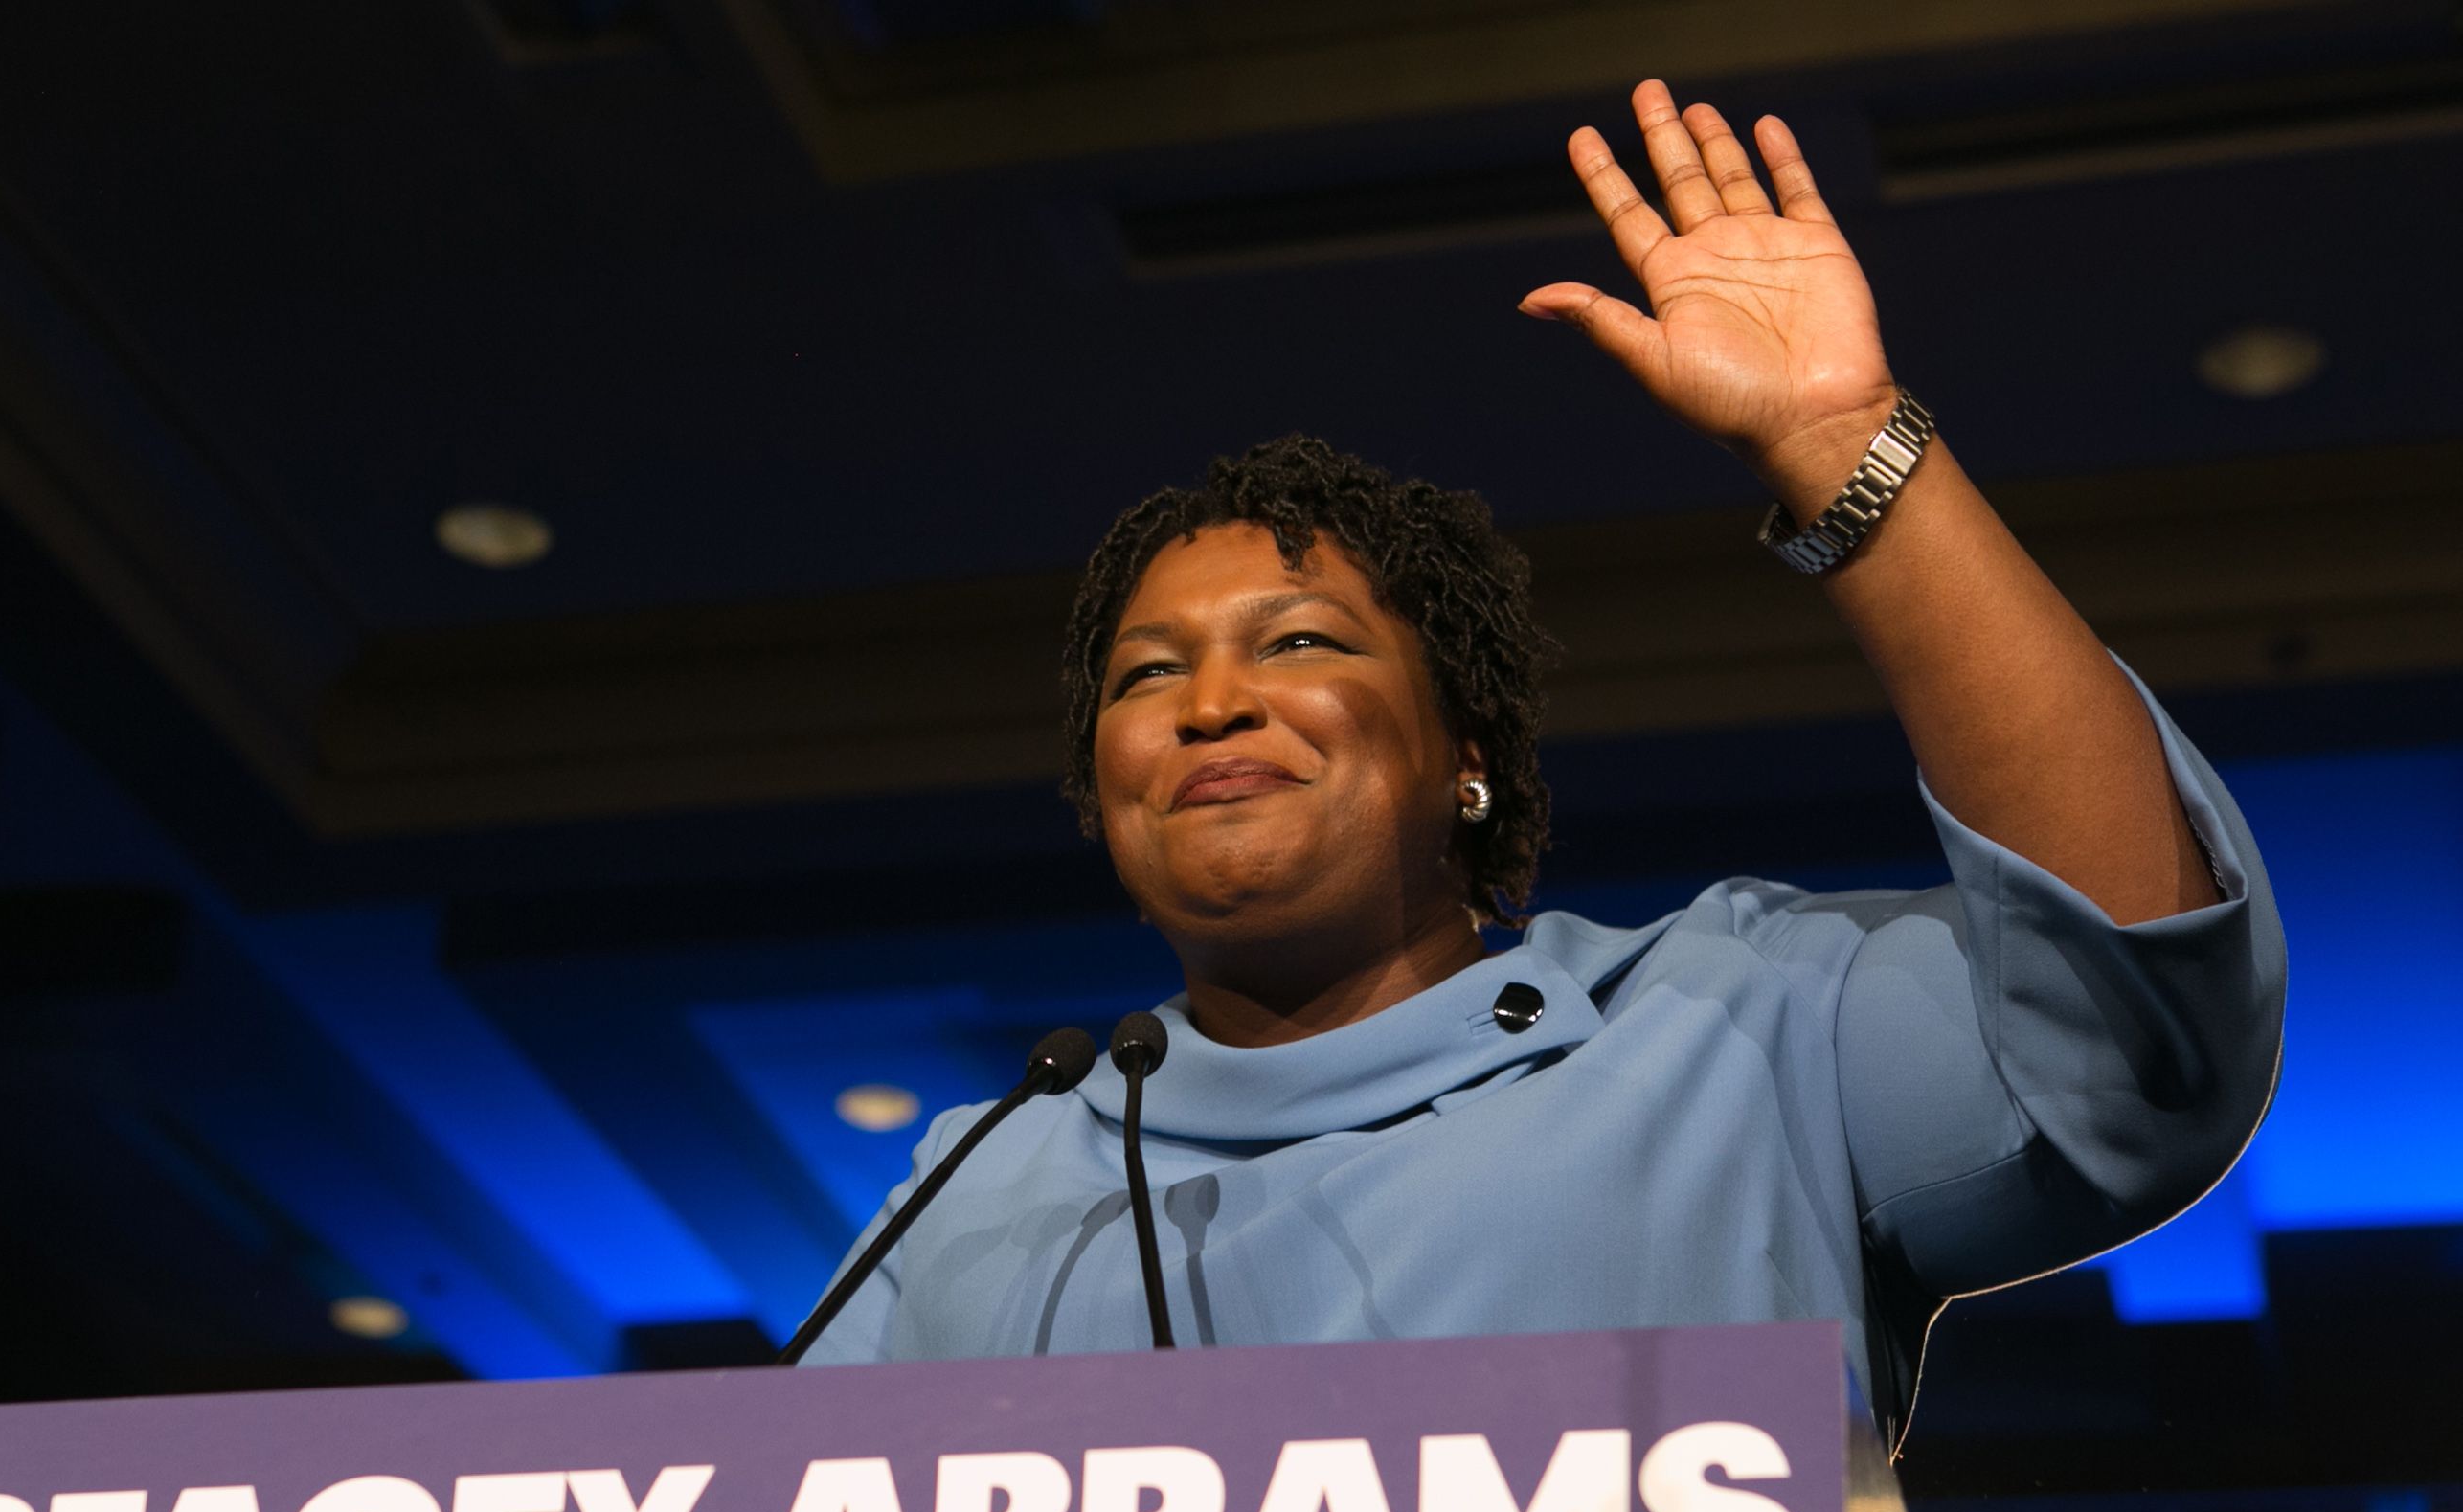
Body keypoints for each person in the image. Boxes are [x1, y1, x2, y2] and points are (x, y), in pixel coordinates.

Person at [795, 80, 2285, 1423]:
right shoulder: (972, 1188)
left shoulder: (1733, 1031)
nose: (1210, 703)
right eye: (1148, 675)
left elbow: (2138, 1017)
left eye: (1301, 642)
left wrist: (1849, 445)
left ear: (1471, 758)